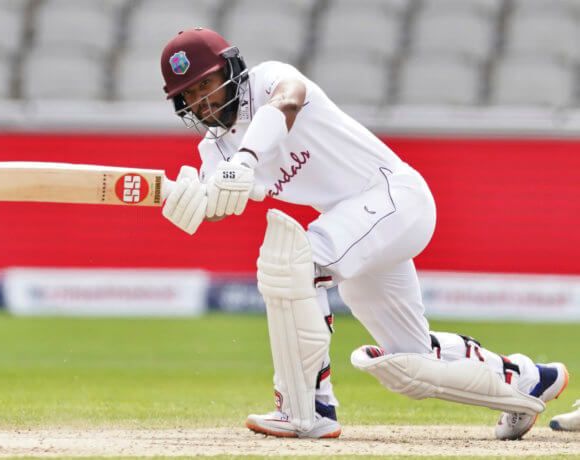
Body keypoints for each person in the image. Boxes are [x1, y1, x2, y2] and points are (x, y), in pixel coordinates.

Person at [158, 28, 569, 440]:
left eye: (206, 83)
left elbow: (289, 98)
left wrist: (247, 159)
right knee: (412, 364)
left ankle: (308, 407)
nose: (201, 100)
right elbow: (215, 201)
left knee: (298, 262)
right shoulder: (215, 151)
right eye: (188, 94)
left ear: (230, 69)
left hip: (394, 196)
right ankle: (529, 378)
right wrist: (185, 199)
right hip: (358, 228)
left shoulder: (268, 80)